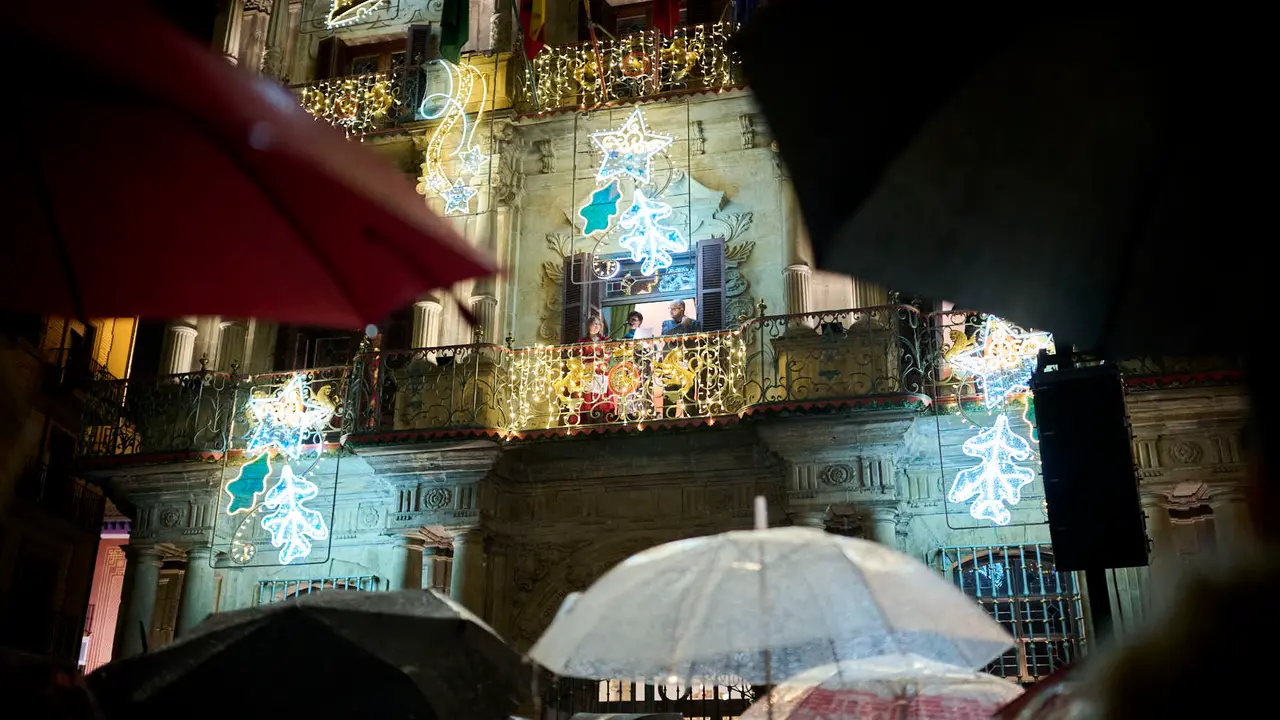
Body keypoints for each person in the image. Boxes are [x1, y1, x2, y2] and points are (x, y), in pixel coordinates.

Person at [572, 315, 614, 423]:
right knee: (587, 399)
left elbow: (608, 355)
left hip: (601, 372)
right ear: (588, 326)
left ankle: (602, 422)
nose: (596, 326)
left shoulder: (605, 340)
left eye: (598, 324)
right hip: (587, 374)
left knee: (601, 399)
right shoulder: (582, 341)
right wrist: (588, 364)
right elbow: (578, 357)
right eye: (594, 323)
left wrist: (599, 362)